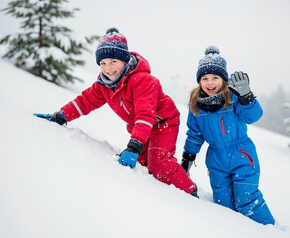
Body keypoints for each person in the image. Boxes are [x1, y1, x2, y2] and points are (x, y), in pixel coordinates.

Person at [34, 27, 198, 197]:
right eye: (103, 63)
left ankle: (190, 191)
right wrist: (60, 116)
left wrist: (134, 145)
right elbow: (84, 102)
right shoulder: (104, 85)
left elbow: (145, 114)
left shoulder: (143, 80)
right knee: (143, 166)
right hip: (140, 127)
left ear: (125, 60)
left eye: (113, 61)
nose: (108, 68)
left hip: (162, 122)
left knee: (158, 163)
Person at [180, 46, 275, 224]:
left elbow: (252, 117)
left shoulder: (233, 97)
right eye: (205, 78)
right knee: (224, 208)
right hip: (216, 161)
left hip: (242, 157)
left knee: (247, 203)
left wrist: (247, 98)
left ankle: (269, 231)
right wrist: (187, 158)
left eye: (215, 78)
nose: (210, 83)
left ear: (223, 79)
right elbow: (194, 134)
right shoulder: (196, 105)